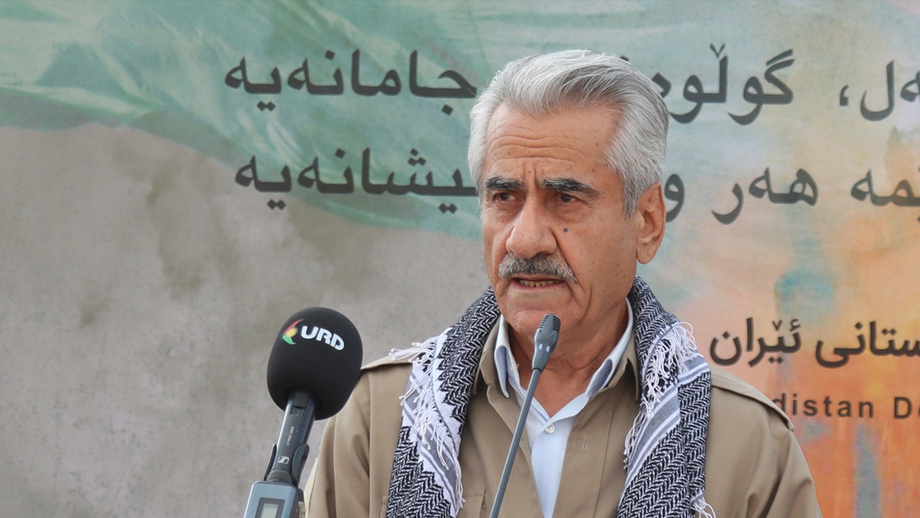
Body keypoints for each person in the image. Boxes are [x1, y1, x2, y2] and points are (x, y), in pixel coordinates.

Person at [304, 50, 822, 518]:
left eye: (566, 199)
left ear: (646, 223)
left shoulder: (747, 445)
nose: (525, 239)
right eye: (504, 198)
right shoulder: (382, 418)